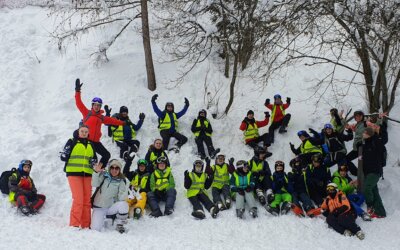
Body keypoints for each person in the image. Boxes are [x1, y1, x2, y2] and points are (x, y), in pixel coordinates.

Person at [74, 79, 126, 167]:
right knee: (93, 160)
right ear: (92, 105)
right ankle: (91, 173)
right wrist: (77, 91)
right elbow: (79, 103)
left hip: (96, 142)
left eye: (98, 105)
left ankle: (99, 170)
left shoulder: (101, 117)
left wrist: (123, 123)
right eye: (95, 105)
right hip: (87, 141)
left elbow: (112, 120)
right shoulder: (87, 113)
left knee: (106, 155)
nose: (97, 107)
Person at [61, 125, 97, 228]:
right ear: (78, 131)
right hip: (74, 174)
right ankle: (74, 224)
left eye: (86, 131)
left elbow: (94, 159)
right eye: (82, 131)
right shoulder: (72, 141)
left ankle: (86, 225)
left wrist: (93, 162)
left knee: (86, 201)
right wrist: (65, 154)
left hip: (87, 175)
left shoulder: (91, 144)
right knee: (78, 199)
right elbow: (63, 157)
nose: (84, 133)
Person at [91, 159, 129, 233]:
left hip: (110, 208)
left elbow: (121, 198)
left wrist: (126, 189)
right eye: (112, 168)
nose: (114, 170)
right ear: (109, 168)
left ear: (119, 170)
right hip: (99, 207)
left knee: (124, 204)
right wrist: (96, 172)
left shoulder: (121, 181)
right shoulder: (104, 176)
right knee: (95, 229)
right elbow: (94, 184)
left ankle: (120, 225)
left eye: (117, 168)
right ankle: (107, 218)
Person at [107, 105, 145, 174]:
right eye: (123, 112)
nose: (124, 113)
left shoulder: (128, 120)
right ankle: (125, 156)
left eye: (126, 112)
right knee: (124, 146)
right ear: (120, 112)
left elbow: (136, 128)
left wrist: (141, 120)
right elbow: (107, 123)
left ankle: (131, 154)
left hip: (128, 139)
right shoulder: (116, 120)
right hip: (119, 139)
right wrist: (107, 114)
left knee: (136, 142)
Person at [361, 127, 386, 218]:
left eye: (364, 132)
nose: (363, 133)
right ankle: (381, 212)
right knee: (374, 191)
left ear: (368, 134)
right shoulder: (365, 144)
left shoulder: (375, 142)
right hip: (368, 172)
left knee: (367, 187)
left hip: (375, 171)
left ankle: (370, 206)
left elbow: (382, 142)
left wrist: (376, 133)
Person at [345, 110, 367, 175]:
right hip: (357, 148)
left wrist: (363, 142)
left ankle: (360, 174)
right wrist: (349, 128)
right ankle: (355, 172)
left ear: (362, 116)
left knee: (362, 162)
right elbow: (354, 129)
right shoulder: (357, 124)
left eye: (359, 116)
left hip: (363, 147)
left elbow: (371, 131)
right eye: (356, 116)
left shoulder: (366, 123)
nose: (358, 117)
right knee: (346, 159)